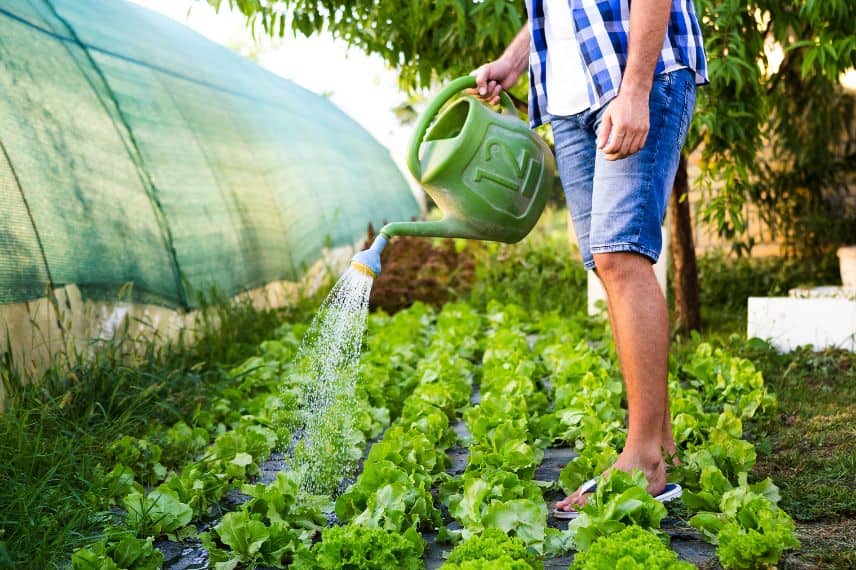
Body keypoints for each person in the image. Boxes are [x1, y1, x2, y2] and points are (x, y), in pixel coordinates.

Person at [474, 0, 708, 518]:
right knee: (608, 265)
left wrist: (636, 90)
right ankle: (660, 441)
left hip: (631, 76)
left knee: (620, 255)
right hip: (567, 96)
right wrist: (516, 61)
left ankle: (644, 462)